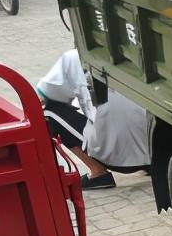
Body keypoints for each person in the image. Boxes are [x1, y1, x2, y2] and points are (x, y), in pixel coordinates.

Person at [37, 50, 116, 189]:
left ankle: (98, 172)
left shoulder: (74, 57)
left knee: (49, 113)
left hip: (118, 148)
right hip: (148, 150)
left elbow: (40, 98)